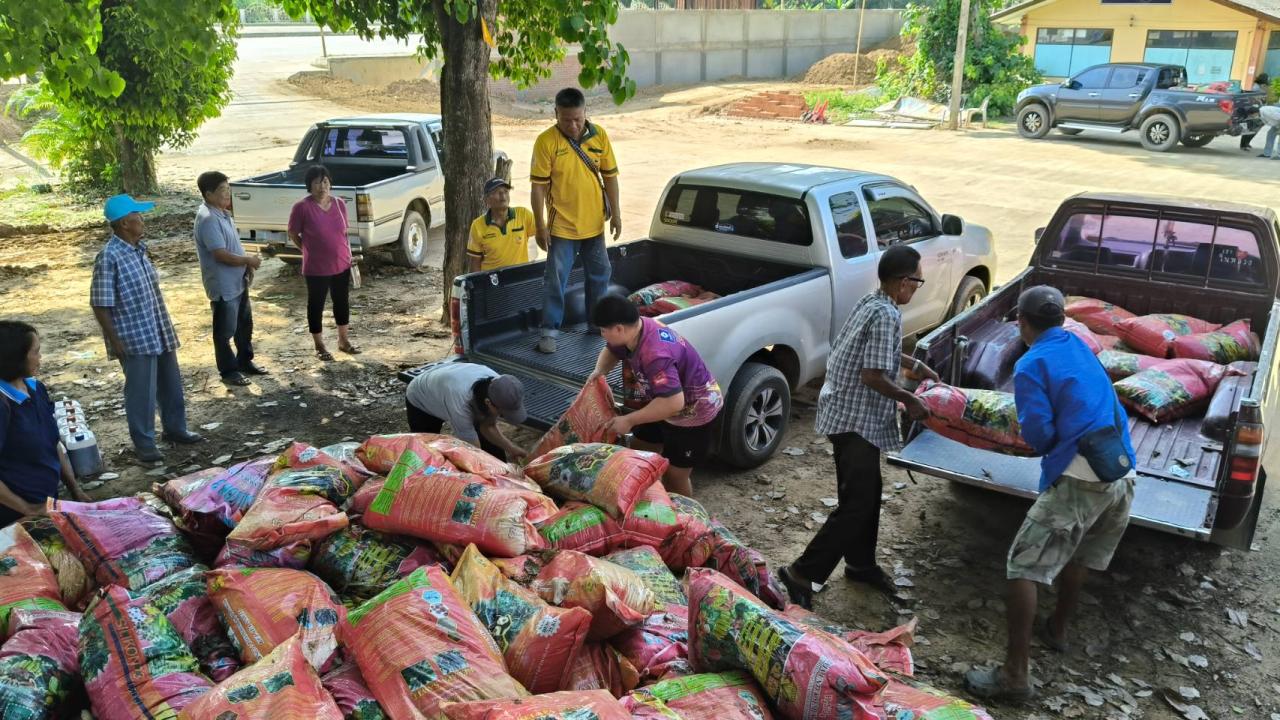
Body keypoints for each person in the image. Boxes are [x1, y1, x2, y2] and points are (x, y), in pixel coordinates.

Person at [965, 286, 1136, 702]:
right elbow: (1111, 405)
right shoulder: (1079, 345)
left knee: (1022, 566)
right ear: (1062, 320)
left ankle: (1015, 678)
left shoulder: (1031, 364)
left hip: (1079, 480)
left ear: (1021, 323)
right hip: (1122, 474)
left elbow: (1039, 437)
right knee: (1079, 555)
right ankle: (1057, 630)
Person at [775, 245, 938, 610]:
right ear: (901, 282)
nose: (918, 287)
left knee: (866, 494)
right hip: (854, 419)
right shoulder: (884, 315)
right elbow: (871, 374)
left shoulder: (874, 302)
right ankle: (802, 572)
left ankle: (860, 564)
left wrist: (912, 364)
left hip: (844, 410)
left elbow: (877, 352)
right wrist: (909, 399)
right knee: (857, 502)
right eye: (917, 280)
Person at [90, 195, 204, 463]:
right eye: (138, 217)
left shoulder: (139, 249)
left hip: (157, 327)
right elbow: (99, 303)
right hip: (133, 336)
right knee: (141, 392)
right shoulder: (109, 257)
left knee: (170, 382)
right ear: (124, 223)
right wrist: (114, 340)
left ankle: (175, 429)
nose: (143, 221)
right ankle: (145, 444)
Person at [587, 294, 722, 497]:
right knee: (639, 451)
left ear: (619, 329)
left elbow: (674, 403)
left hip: (693, 413)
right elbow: (612, 350)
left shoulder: (655, 354)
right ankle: (649, 499)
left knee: (674, 476)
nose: (602, 335)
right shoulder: (634, 330)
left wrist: (629, 420)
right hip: (658, 401)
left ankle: (684, 520)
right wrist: (599, 372)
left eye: (603, 330)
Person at [531, 87, 621, 354]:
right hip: (562, 228)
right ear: (555, 114)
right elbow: (537, 188)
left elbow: (611, 177)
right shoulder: (546, 141)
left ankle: (597, 325)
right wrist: (540, 225)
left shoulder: (599, 136)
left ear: (585, 113)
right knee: (556, 280)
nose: (572, 125)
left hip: (594, 225)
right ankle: (549, 332)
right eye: (566, 119)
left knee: (600, 275)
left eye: (578, 119)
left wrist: (616, 213)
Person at [0, 322, 90, 525]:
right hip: (14, 516)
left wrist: (74, 488)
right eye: (36, 352)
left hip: (45, 504)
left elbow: (53, 443)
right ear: (15, 358)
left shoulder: (35, 388)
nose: (40, 358)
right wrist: (27, 508)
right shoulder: (3, 404)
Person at [194, 171, 267, 387]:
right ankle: (228, 371)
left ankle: (245, 361)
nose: (228, 194)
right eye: (223, 190)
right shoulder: (208, 218)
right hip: (224, 285)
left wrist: (246, 266)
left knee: (244, 325)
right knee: (224, 331)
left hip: (238, 281)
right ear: (208, 194)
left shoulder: (222, 213)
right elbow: (220, 254)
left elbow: (232, 246)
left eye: (228, 188)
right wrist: (248, 260)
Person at [288, 165, 361, 361]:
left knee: (341, 302)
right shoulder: (302, 207)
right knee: (316, 304)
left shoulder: (339, 204)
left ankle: (343, 341)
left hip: (341, 263)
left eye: (326, 181)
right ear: (309, 186)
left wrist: (348, 255)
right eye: (317, 182)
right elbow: (293, 233)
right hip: (316, 267)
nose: (322, 186)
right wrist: (306, 249)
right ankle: (319, 345)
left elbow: (343, 233)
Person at [405, 362, 529, 462]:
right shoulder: (460, 404)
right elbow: (473, 452)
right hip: (421, 397)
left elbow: (488, 426)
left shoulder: (499, 386)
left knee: (493, 452)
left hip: (447, 383)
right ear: (488, 403)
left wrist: (511, 449)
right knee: (426, 452)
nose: (502, 416)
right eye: (502, 413)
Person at [468, 177, 536, 272]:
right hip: (493, 281)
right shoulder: (478, 225)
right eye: (497, 192)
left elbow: (545, 233)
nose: (503, 196)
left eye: (506, 191)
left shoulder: (523, 214)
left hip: (520, 277)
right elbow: (475, 262)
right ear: (487, 200)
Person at [1241, 73, 1270, 151]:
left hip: (1254, 110)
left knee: (1251, 127)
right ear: (1263, 83)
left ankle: (1245, 144)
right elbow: (1254, 101)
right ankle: (1244, 144)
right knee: (1254, 127)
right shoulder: (1257, 89)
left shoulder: (1257, 87)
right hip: (1253, 111)